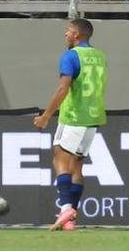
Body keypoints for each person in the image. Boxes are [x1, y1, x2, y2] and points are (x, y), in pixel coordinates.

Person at [33, 18, 108, 232]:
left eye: (68, 31)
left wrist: (46, 116)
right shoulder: (100, 57)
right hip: (94, 118)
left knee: (60, 158)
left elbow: (63, 89)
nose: (65, 34)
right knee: (76, 165)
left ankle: (65, 207)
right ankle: (70, 218)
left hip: (74, 117)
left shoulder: (70, 56)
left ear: (76, 35)